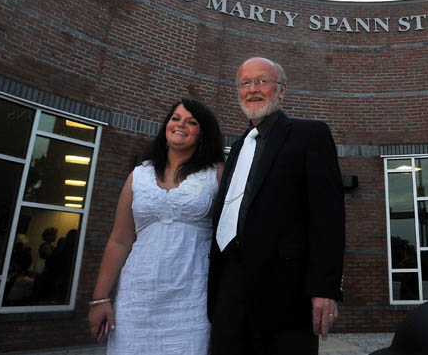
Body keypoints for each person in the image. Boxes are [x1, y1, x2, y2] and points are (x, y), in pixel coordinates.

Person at [208, 57, 345, 355]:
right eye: (245, 83)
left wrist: (324, 288)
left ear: (281, 90)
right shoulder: (238, 147)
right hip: (229, 284)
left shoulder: (310, 135)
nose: (253, 89)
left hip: (285, 292)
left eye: (262, 81)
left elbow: (328, 218)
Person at [88, 99, 224, 354]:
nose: (180, 125)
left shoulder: (216, 173)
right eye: (175, 118)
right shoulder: (138, 176)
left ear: (203, 132)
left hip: (192, 297)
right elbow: (119, 240)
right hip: (137, 297)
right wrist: (100, 298)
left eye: (191, 122)